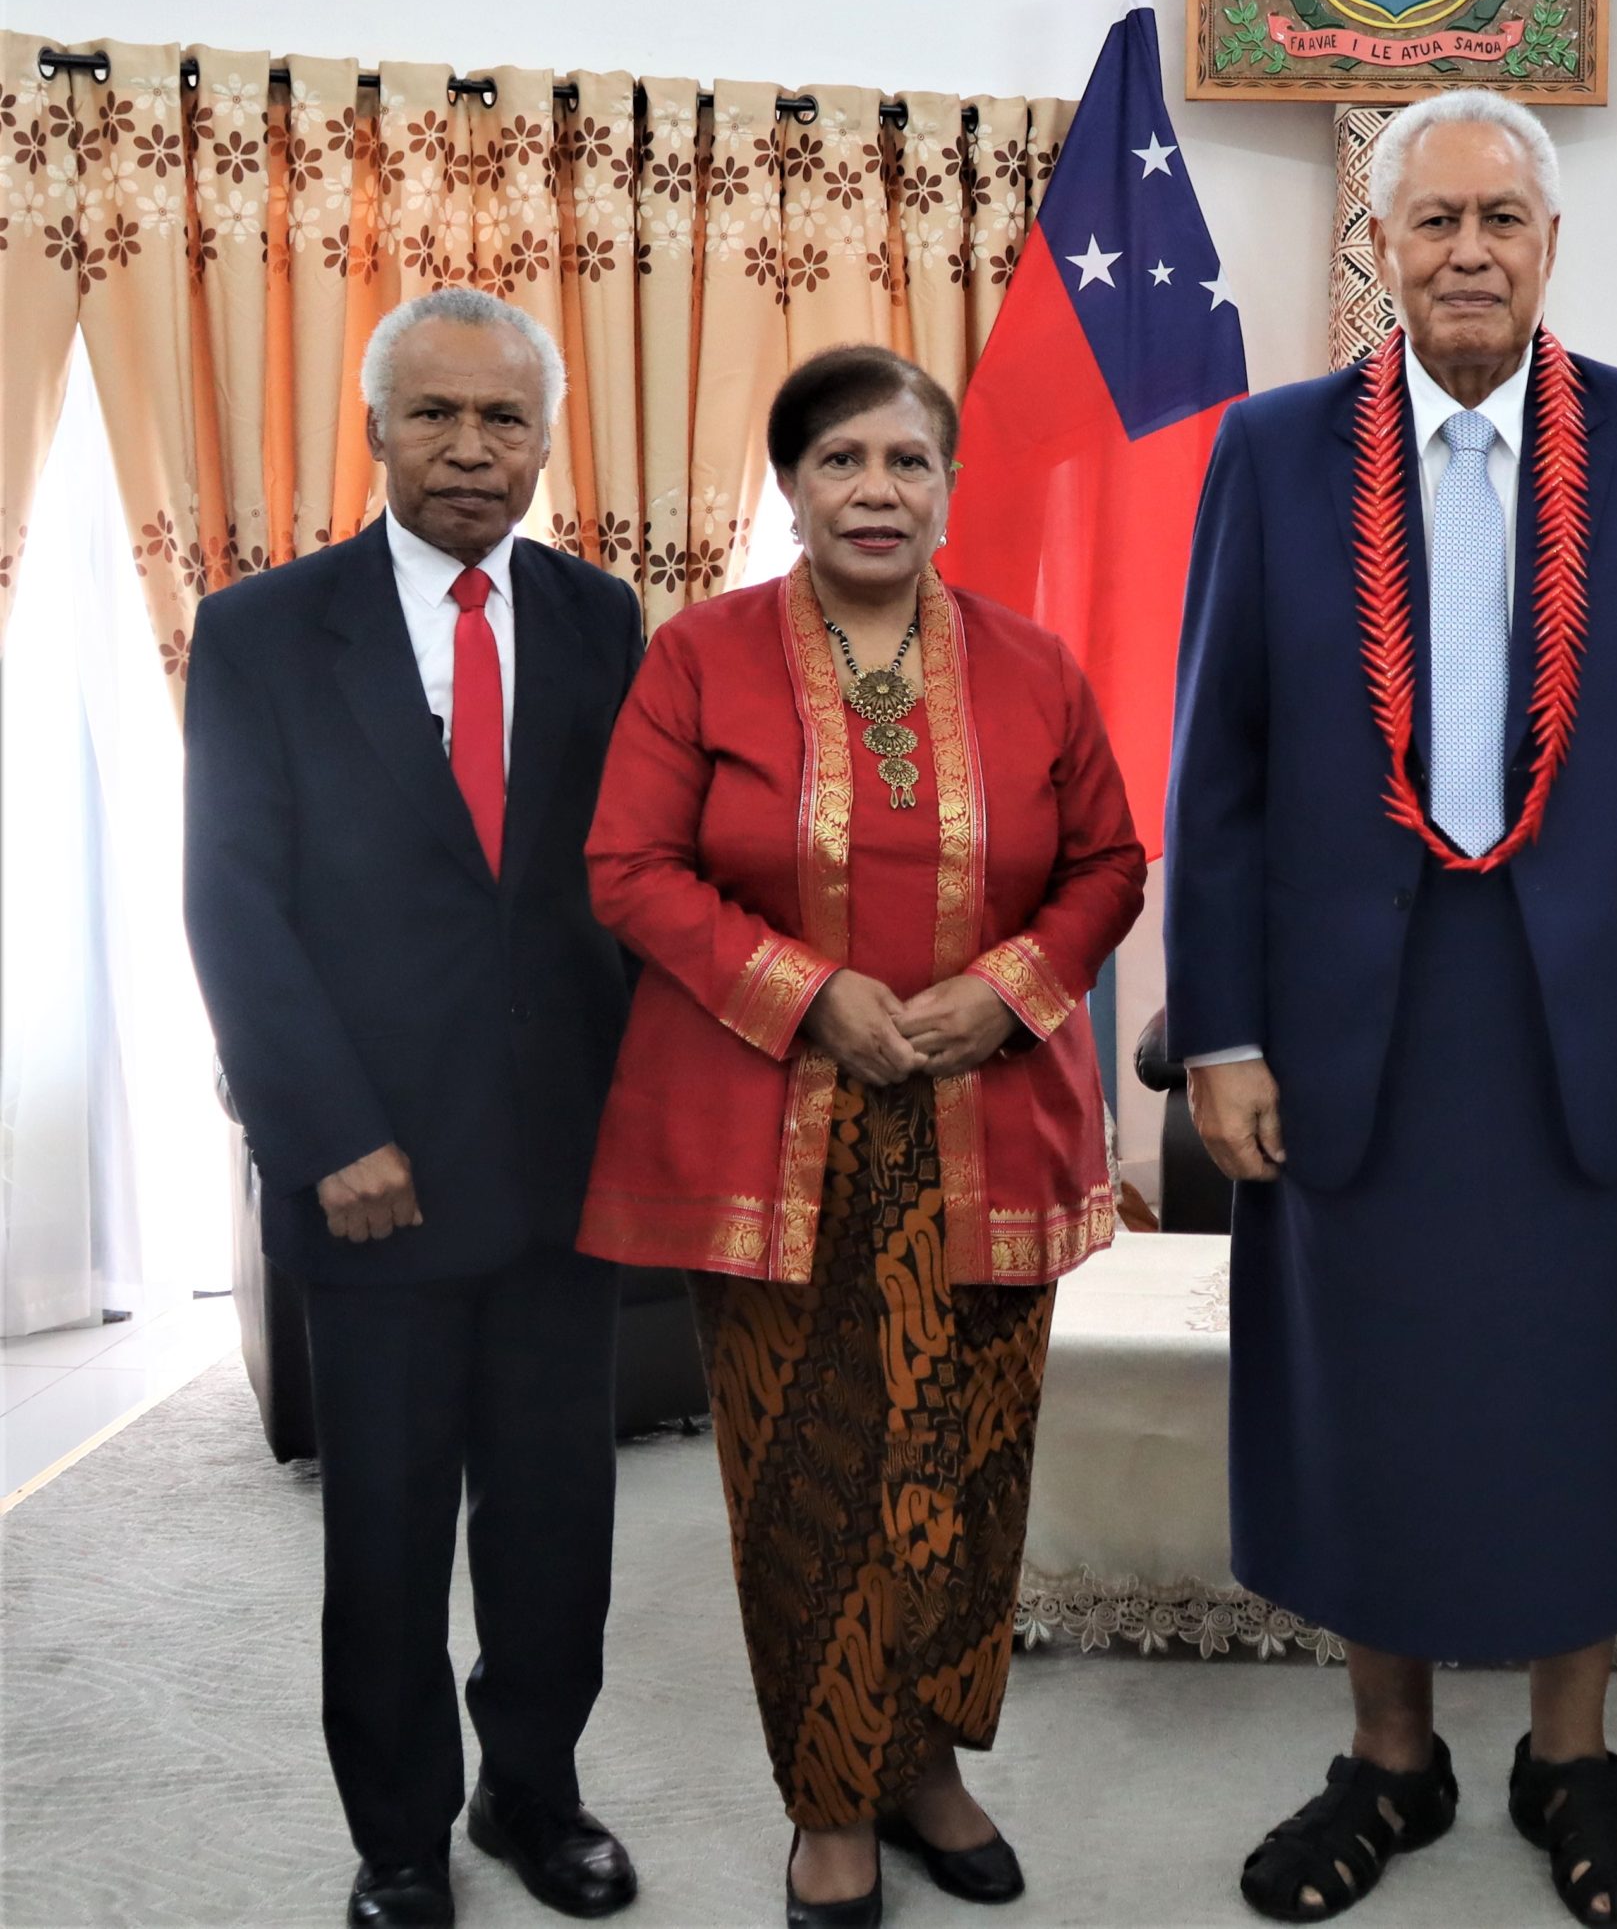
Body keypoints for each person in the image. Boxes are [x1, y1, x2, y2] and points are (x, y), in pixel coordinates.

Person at [1165, 88, 1617, 1928]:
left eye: (1499, 220)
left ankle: (1572, 1757)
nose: (1465, 251)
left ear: (1550, 246)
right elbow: (1220, 769)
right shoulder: (1272, 454)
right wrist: (1218, 1028)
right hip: (1352, 1010)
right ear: (1376, 247)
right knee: (1366, 1394)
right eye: (1429, 221)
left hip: (1581, 1020)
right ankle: (1391, 1758)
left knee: (1574, 1397)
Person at [575, 345, 1146, 1929]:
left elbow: (1108, 862)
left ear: (949, 489)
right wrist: (810, 991)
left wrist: (1010, 987)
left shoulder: (1034, 664)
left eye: (907, 460)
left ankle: (928, 1765)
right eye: (841, 460)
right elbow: (628, 864)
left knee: (966, 1469)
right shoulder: (700, 657)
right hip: (775, 1131)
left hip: (987, 1129)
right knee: (808, 1477)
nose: (876, 489)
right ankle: (830, 1794)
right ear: (792, 486)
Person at [183, 287, 646, 1929]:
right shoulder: (260, 630)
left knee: (555, 1519)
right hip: (369, 1164)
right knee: (382, 1530)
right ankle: (398, 1833)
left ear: (543, 437)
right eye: (436, 415)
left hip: (560, 1168)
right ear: (376, 428)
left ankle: (536, 1788)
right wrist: (323, 1138)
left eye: (503, 418)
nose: (470, 448)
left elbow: (622, 888)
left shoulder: (605, 619)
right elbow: (233, 902)